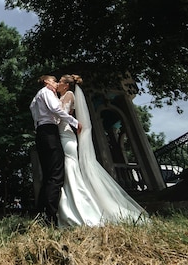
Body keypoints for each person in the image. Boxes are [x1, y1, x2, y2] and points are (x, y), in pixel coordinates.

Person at [55, 74, 148, 227]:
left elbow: (62, 115)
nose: (57, 83)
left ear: (66, 85)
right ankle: (71, 207)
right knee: (68, 169)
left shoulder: (69, 95)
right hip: (64, 135)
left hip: (66, 135)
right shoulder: (65, 95)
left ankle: (77, 210)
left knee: (69, 168)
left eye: (60, 81)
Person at [29, 75, 82, 226]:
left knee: (47, 175)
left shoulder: (36, 98)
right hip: (50, 133)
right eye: (54, 80)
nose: (56, 83)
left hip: (41, 133)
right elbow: (55, 109)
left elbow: (35, 112)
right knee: (56, 175)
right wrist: (74, 121)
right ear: (47, 82)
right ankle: (50, 217)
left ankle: (40, 213)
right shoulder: (46, 92)